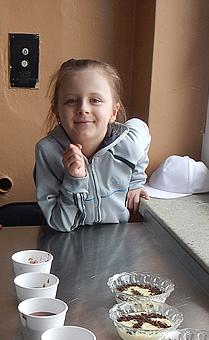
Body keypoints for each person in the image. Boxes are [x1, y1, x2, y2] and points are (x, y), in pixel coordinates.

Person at [34, 58, 151, 232]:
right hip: (67, 241)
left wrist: (136, 182)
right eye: (72, 101)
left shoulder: (128, 142)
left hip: (116, 240)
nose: (83, 109)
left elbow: (141, 129)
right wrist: (75, 180)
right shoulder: (47, 151)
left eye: (95, 100)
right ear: (57, 112)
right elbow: (60, 223)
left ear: (113, 112)